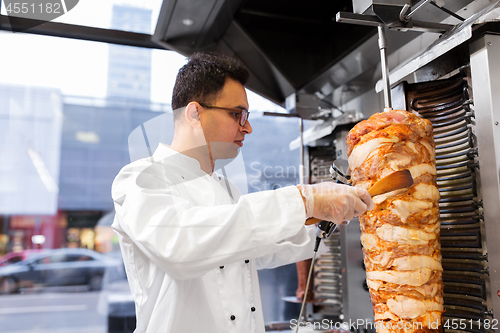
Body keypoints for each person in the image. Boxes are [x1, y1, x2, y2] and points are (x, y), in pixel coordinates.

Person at [111, 52, 374, 333]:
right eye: (237, 114)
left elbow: (262, 248)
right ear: (195, 114)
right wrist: (304, 199)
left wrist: (327, 214)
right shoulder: (140, 178)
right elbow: (181, 246)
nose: (247, 127)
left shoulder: (227, 189)